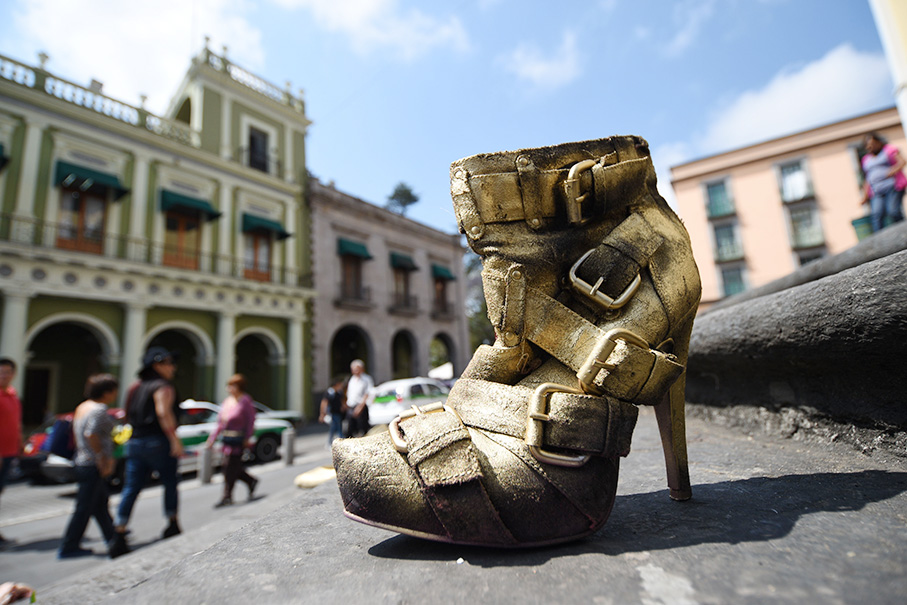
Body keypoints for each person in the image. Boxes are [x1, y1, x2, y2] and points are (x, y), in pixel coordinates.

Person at [109, 347, 184, 558]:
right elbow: (163, 412)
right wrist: (174, 440)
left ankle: (119, 531)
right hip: (158, 441)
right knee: (170, 483)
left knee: (131, 488)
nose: (173, 368)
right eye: (169, 363)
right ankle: (172, 523)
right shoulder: (163, 387)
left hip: (135, 441)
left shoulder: (135, 387)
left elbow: (126, 415)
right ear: (157, 365)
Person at [58, 374, 119, 559]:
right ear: (106, 392)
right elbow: (91, 433)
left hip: (82, 460)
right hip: (92, 463)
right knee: (85, 507)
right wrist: (101, 458)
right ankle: (69, 546)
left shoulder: (83, 406)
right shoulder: (99, 409)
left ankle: (113, 539)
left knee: (99, 504)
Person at [204, 374, 259, 507]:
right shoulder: (227, 401)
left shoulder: (245, 401)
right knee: (232, 467)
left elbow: (250, 420)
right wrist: (212, 439)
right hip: (227, 439)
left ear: (239, 387)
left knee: (229, 467)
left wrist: (247, 437)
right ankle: (250, 481)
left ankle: (227, 496)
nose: (229, 389)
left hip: (238, 440)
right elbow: (220, 422)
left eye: (232, 386)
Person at [861, 132, 906, 233]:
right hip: (876, 190)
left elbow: (902, 161)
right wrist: (865, 196)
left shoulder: (888, 150)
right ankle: (879, 238)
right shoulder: (866, 159)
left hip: (892, 186)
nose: (870, 147)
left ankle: (904, 232)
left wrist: (892, 171)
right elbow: (867, 178)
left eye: (872, 144)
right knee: (877, 214)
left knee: (893, 211)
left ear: (879, 142)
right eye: (868, 146)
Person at [0, 358, 21, 548]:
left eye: (7, 372)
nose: (4, 375)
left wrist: (19, 445)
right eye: (1, 372)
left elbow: (16, 424)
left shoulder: (13, 395)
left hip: (9, 453)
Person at [344, 359, 373, 438]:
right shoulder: (352, 379)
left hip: (361, 406)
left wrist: (360, 407)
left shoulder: (366, 379)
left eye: (357, 369)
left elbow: (367, 393)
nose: (355, 371)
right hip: (351, 406)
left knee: (362, 429)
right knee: (350, 430)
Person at [319, 376, 347, 445]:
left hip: (339, 412)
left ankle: (331, 441)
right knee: (337, 427)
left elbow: (342, 401)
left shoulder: (339, 392)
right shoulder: (330, 392)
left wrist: (343, 407)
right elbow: (324, 402)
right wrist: (322, 413)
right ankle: (338, 440)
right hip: (332, 413)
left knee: (334, 427)